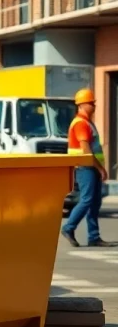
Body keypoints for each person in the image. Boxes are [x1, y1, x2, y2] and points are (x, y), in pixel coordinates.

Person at [61, 89, 116, 248]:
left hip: (90, 167)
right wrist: (100, 169)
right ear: (81, 105)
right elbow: (86, 149)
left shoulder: (87, 122)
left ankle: (94, 236)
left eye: (94, 103)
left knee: (94, 202)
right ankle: (68, 227)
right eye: (91, 103)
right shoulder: (80, 123)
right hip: (86, 167)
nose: (94, 106)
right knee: (87, 199)